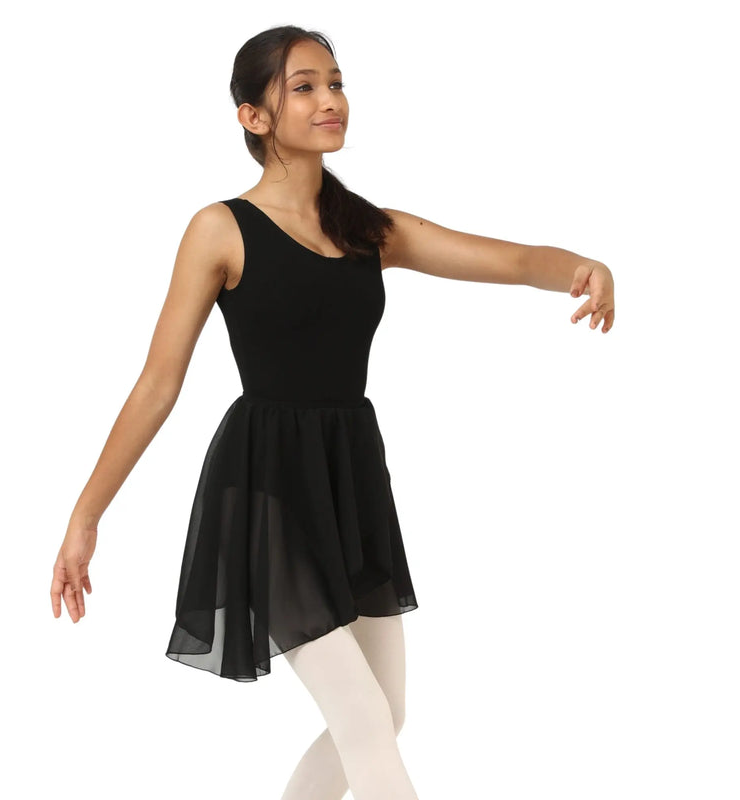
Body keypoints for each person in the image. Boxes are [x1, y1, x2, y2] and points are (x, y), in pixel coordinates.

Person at [49, 24, 616, 800]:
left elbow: (513, 260)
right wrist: (86, 516)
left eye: (337, 83)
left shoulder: (365, 230)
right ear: (254, 116)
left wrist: (582, 267)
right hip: (269, 487)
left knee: (386, 712)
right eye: (306, 86)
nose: (331, 100)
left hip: (350, 481)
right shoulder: (220, 229)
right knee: (364, 721)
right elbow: (157, 384)